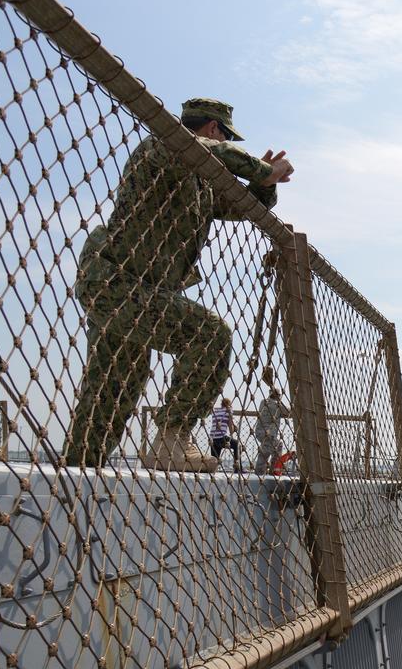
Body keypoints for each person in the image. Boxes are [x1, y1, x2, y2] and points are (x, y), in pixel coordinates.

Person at [64, 98, 294, 471]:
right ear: (214, 129)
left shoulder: (202, 183)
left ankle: (78, 470)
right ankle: (171, 439)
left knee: (115, 388)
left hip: (143, 293)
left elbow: (244, 206)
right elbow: (209, 153)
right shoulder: (163, 146)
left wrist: (264, 183)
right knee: (210, 336)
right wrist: (260, 167)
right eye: (222, 138)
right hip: (113, 279)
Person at [254, 387, 290, 474]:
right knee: (265, 453)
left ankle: (271, 470)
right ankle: (265, 472)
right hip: (269, 434)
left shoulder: (263, 402)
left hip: (259, 431)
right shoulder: (278, 406)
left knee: (277, 446)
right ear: (278, 396)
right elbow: (287, 411)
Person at [209, 398, 240, 471]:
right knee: (237, 445)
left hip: (212, 438)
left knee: (214, 459)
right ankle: (237, 468)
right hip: (221, 437)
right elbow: (231, 430)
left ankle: (212, 470)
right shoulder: (228, 411)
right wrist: (235, 428)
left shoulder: (215, 411)